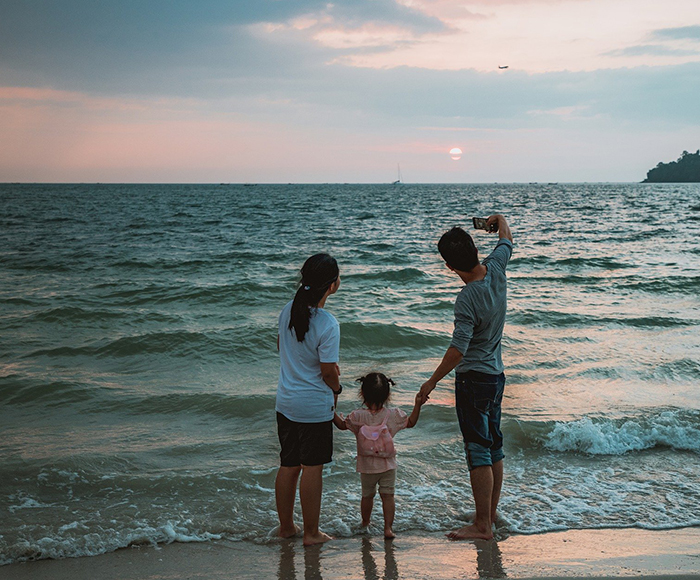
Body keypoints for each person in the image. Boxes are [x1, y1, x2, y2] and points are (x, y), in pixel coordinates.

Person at [418, 214, 513, 540]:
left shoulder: (467, 297)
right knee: (494, 447)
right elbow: (506, 236)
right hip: (496, 376)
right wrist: (494, 220)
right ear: (475, 249)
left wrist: (431, 382)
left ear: (449, 266)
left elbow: (458, 349)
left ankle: (482, 525)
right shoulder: (496, 267)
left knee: (478, 450)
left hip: (473, 379)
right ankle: (489, 514)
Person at [275, 253, 342, 546]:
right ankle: (312, 533)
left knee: (289, 465)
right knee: (312, 468)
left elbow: (281, 347)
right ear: (332, 285)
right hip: (313, 407)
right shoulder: (328, 323)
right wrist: (338, 389)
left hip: (285, 402)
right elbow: (328, 373)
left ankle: (287, 527)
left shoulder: (287, 310)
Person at [334, 372, 423, 539]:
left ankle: (365, 523)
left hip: (367, 467)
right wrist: (417, 404)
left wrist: (331, 407)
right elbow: (411, 422)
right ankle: (388, 528)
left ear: (362, 393)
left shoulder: (357, 416)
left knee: (367, 496)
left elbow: (340, 425)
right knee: (388, 496)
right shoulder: (393, 415)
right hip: (388, 466)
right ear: (388, 395)